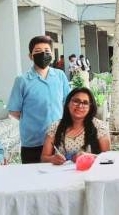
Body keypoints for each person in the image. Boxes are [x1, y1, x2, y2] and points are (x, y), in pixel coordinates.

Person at [8, 35, 71, 164]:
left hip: (59, 140)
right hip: (33, 142)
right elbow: (15, 111)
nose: (43, 54)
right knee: (33, 180)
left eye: (47, 51)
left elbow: (67, 103)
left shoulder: (60, 76)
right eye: (37, 51)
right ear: (30, 56)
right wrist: (33, 120)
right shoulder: (22, 81)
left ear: (52, 55)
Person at [41, 87, 110, 165]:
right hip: (61, 175)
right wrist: (52, 159)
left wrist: (89, 157)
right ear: (68, 103)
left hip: (90, 175)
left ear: (90, 107)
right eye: (76, 101)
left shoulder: (99, 127)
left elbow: (107, 158)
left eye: (85, 103)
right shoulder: (55, 126)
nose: (80, 106)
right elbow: (44, 157)